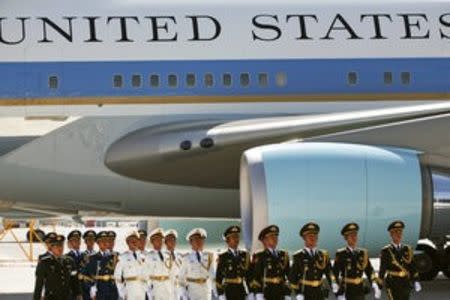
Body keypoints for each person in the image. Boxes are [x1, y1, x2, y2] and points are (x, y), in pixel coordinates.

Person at [289, 222, 338, 300]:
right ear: (304, 238)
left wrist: (333, 282)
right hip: (305, 292)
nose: (313, 238)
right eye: (309, 236)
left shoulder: (323, 255)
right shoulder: (298, 256)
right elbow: (292, 277)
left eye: (315, 236)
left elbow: (329, 271)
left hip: (319, 292)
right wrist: (298, 293)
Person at [333, 223, 381, 300]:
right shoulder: (341, 254)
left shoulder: (363, 253)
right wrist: (337, 291)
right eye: (351, 236)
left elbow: (369, 270)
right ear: (346, 238)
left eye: (355, 235)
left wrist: (374, 283)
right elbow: (334, 273)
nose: (354, 238)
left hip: (359, 290)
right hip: (346, 290)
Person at [378, 220, 421, 300]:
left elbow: (412, 266)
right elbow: (382, 268)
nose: (399, 234)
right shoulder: (386, 251)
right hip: (392, 282)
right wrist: (379, 285)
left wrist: (416, 280)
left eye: (400, 232)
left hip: (405, 282)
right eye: (396, 232)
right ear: (391, 234)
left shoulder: (407, 249)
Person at [33, 234, 81, 300]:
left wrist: (78, 294)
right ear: (51, 248)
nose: (60, 248)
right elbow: (39, 285)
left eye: (61, 245)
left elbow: (75, 280)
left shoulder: (70, 261)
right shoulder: (45, 262)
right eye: (57, 246)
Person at [250, 225, 290, 300]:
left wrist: (287, 294)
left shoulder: (283, 255)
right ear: (264, 240)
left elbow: (288, 277)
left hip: (281, 293)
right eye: (272, 237)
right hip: (266, 293)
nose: (275, 239)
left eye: (276, 236)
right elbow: (255, 277)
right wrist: (258, 294)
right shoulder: (259, 255)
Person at [178, 228, 215, 300]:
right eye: (196, 239)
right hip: (192, 292)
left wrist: (217, 292)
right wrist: (184, 294)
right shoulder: (186, 258)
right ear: (191, 242)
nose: (199, 242)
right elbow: (180, 279)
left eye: (201, 239)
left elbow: (213, 276)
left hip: (206, 292)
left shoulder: (209, 257)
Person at [215, 225, 251, 300]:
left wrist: (251, 293)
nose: (236, 239)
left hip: (242, 291)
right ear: (227, 240)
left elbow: (249, 276)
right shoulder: (223, 257)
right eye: (233, 237)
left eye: (237, 236)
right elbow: (218, 279)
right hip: (228, 292)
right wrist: (221, 295)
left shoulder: (245, 255)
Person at [83, 231, 119, 300]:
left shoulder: (114, 257)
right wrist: (91, 288)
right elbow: (86, 276)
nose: (105, 243)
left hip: (112, 290)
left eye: (106, 240)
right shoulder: (91, 258)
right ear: (97, 243)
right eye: (102, 241)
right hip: (99, 290)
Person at [114, 230, 148, 300]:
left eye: (136, 241)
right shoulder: (122, 257)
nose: (134, 243)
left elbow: (146, 274)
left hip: (141, 289)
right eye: (131, 241)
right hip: (129, 289)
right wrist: (122, 292)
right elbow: (117, 277)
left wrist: (145, 288)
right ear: (127, 243)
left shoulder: (143, 257)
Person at [146, 228, 172, 300]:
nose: (160, 242)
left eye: (161, 240)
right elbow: (146, 274)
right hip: (155, 286)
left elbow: (171, 272)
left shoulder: (167, 255)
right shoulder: (149, 256)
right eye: (157, 240)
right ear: (152, 242)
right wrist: (149, 290)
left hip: (167, 287)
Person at [164, 229, 183, 300]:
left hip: (177, 287)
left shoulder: (179, 256)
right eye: (170, 240)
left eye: (174, 240)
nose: (172, 242)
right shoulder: (162, 256)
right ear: (166, 242)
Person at [66, 230, 84, 300]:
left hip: (85, 288)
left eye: (79, 239)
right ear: (70, 242)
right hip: (72, 289)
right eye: (74, 240)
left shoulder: (86, 256)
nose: (77, 242)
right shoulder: (67, 257)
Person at [79, 230, 97, 300]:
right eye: (88, 240)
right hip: (85, 287)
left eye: (93, 239)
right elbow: (81, 273)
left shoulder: (98, 255)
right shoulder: (81, 256)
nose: (91, 241)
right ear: (85, 241)